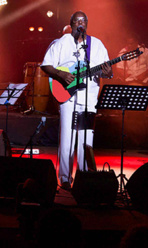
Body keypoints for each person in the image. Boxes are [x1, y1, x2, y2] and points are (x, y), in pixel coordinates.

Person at [41, 11, 112, 190]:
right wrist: (60, 73)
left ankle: (84, 176)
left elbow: (108, 71)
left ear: (87, 23)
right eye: (77, 20)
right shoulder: (62, 42)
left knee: (86, 139)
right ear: (71, 23)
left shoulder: (96, 44)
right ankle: (65, 178)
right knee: (67, 137)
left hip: (89, 96)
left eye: (83, 21)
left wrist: (107, 71)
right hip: (67, 95)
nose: (80, 23)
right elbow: (46, 65)